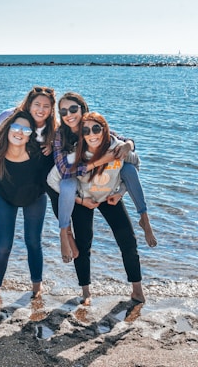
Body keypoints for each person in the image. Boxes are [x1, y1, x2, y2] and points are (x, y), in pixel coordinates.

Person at [46, 92, 156, 264]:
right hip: (75, 183)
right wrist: (101, 161)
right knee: (65, 185)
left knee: (128, 168)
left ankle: (144, 217)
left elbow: (122, 140)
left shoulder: (92, 125)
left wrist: (128, 145)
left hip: (102, 184)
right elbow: (64, 170)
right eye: (63, 112)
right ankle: (65, 233)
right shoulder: (61, 134)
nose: (68, 115)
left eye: (73, 109)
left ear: (83, 109)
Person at [0, 86, 57, 260]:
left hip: (30, 182)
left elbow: (57, 151)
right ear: (29, 104)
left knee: (33, 240)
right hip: (5, 167)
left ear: (52, 109)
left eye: (46, 106)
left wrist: (52, 145)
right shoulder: (10, 115)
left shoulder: (53, 127)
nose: (41, 109)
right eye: (36, 104)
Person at [0, 110, 53, 301]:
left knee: (33, 242)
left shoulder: (40, 155)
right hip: (5, 198)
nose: (20, 131)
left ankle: (36, 288)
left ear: (32, 134)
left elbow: (56, 190)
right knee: (3, 246)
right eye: (16, 127)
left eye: (26, 129)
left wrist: (66, 231)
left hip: (34, 198)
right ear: (7, 130)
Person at [73, 111, 145, 304]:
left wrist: (120, 192)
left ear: (104, 129)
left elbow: (133, 165)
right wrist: (79, 201)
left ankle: (137, 290)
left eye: (96, 128)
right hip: (84, 199)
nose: (91, 133)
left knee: (128, 241)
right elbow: (62, 179)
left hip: (109, 197)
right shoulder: (77, 151)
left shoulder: (115, 147)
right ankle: (86, 293)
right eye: (86, 130)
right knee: (83, 244)